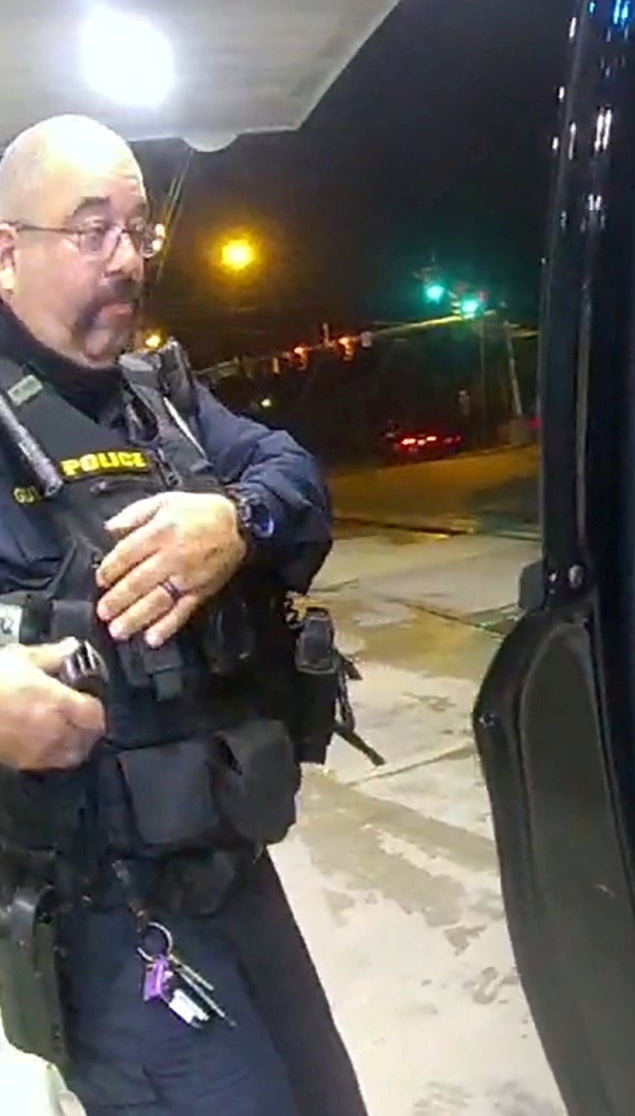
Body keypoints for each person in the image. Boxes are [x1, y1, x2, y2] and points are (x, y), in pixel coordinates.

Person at [0, 114, 368, 1115]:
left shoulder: (161, 399)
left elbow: (295, 477)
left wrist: (234, 519)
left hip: (233, 874)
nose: (126, 259)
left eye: (137, 230)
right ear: (6, 251)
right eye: (90, 231)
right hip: (101, 920)